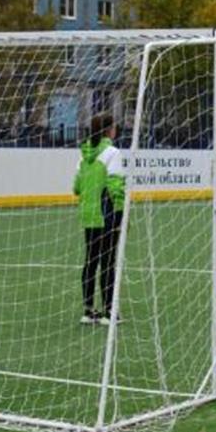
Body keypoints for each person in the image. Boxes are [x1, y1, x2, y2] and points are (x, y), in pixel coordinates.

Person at [73, 114, 125, 325]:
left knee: (90, 260)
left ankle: (88, 311)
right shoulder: (112, 153)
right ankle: (109, 312)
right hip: (107, 214)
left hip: (89, 214)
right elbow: (115, 186)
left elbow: (76, 187)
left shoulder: (84, 155)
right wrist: (121, 213)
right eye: (114, 127)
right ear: (108, 130)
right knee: (108, 262)